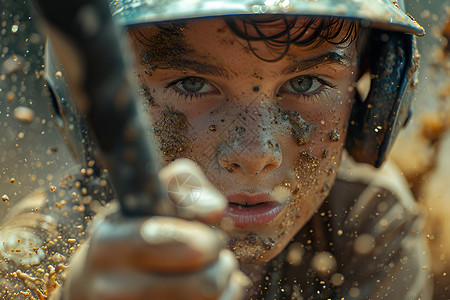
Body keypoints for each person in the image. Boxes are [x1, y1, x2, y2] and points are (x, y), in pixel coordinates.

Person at [0, 0, 433, 299]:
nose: (255, 152)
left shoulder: (366, 220)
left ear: (374, 99)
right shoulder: (47, 243)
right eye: (191, 83)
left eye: (304, 83)